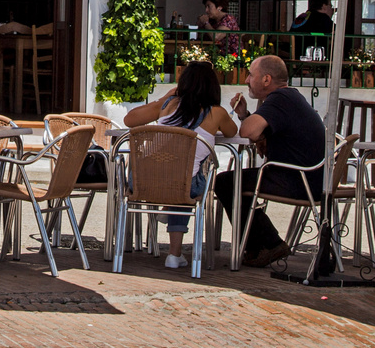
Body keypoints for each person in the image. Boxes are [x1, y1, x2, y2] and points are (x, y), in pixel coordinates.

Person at [212, 54, 327, 268]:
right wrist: (245, 113)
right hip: (308, 177)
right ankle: (258, 246)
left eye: (250, 75)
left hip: (297, 179)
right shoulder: (289, 97)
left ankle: (269, 243)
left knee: (226, 182)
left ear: (266, 79)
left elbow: (249, 131)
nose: (246, 80)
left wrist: (246, 119)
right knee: (234, 181)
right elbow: (259, 133)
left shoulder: (280, 99)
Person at [124, 61, 237, 269]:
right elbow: (232, 132)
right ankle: (174, 254)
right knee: (185, 182)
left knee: (178, 179)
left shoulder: (168, 105)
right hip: (184, 186)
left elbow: (129, 120)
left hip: (142, 182)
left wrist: (165, 98)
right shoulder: (217, 113)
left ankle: (168, 208)